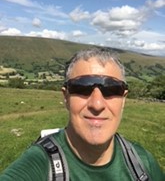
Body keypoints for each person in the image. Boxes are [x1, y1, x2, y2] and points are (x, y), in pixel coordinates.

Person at [0, 47, 164, 181]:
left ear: (123, 99)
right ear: (66, 97)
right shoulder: (39, 164)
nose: (97, 104)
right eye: (82, 88)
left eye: (112, 89)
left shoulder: (142, 163)